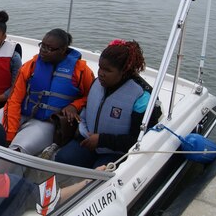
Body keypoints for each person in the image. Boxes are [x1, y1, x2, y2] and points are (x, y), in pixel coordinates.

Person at [55, 39, 162, 169]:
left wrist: (101, 140)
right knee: (62, 159)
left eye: (107, 70)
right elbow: (87, 109)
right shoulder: (96, 83)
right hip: (88, 142)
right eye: (100, 67)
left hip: (117, 151)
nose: (101, 73)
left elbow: (140, 139)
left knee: (99, 177)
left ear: (124, 71)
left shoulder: (142, 96)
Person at [0, 28, 94, 155]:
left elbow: (92, 96)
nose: (43, 51)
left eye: (49, 48)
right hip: (21, 112)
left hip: (47, 122)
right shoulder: (30, 66)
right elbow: (14, 100)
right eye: (42, 46)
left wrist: (75, 105)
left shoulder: (81, 71)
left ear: (63, 50)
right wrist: (9, 133)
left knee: (18, 149)